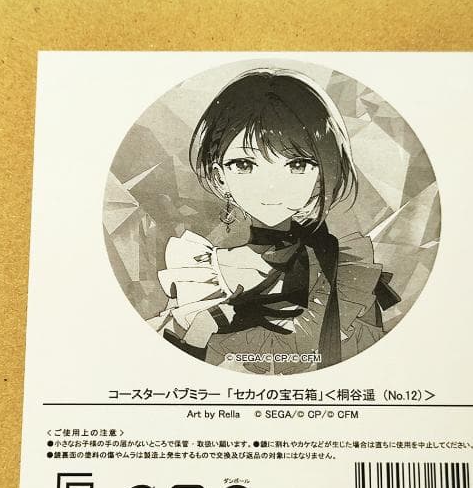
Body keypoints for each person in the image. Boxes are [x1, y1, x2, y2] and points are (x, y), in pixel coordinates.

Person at [151, 68, 399, 374]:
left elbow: (372, 370)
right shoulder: (198, 277)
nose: (271, 187)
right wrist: (206, 324)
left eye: (297, 164)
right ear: (220, 176)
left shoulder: (346, 272)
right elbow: (170, 375)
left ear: (322, 173)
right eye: (244, 164)